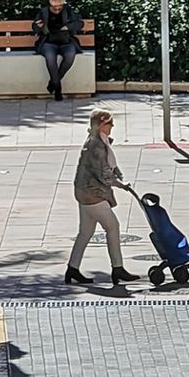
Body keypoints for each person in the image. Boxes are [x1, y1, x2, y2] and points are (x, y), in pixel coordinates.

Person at [64, 110, 140, 287]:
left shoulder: (96, 141)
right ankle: (117, 268)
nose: (112, 126)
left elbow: (109, 164)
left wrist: (118, 174)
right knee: (113, 227)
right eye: (109, 123)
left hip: (83, 193)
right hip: (93, 194)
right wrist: (120, 184)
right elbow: (104, 174)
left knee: (85, 232)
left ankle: (72, 268)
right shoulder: (97, 146)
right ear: (100, 125)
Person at [33, 0, 85, 101]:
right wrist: (40, 26)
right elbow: (35, 28)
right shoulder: (44, 12)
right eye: (54, 8)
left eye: (59, 8)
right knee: (50, 58)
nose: (57, 10)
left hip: (66, 41)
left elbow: (80, 23)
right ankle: (57, 88)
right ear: (50, 4)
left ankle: (53, 82)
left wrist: (68, 27)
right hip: (48, 42)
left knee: (70, 56)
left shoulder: (68, 11)